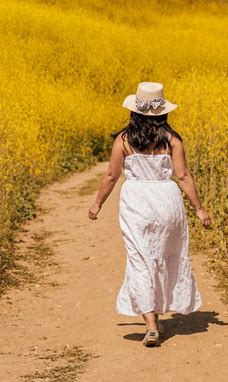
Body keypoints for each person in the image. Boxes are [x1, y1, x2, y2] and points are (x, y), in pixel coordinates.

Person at [88, 81, 211, 347]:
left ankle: (151, 325)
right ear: (163, 112)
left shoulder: (123, 140)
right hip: (167, 200)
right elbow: (184, 176)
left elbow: (111, 175)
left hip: (137, 203)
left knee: (140, 260)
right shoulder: (171, 140)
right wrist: (199, 210)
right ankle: (159, 311)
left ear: (135, 110)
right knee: (165, 257)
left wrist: (98, 203)